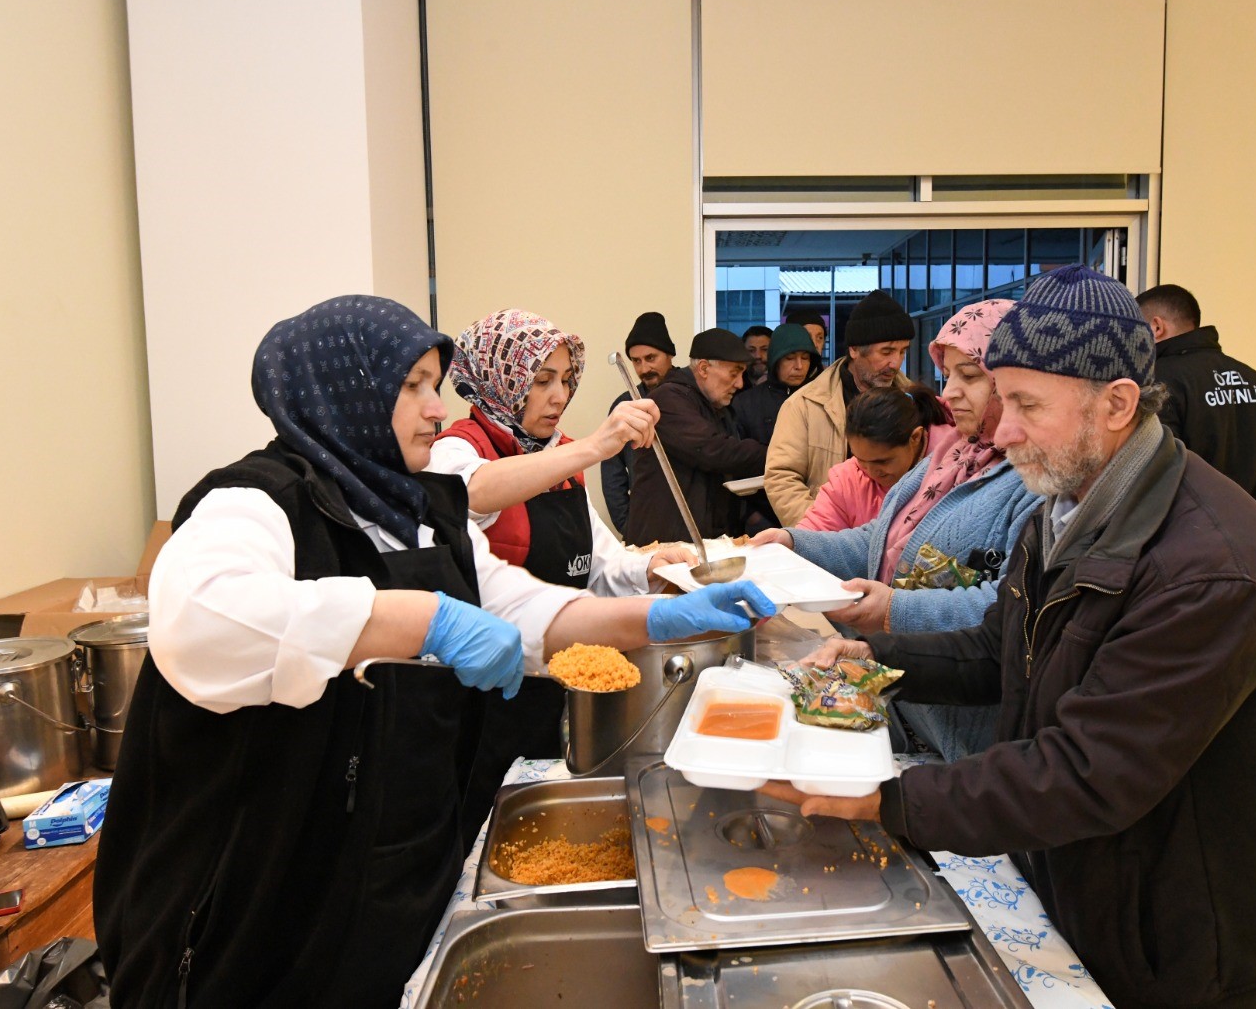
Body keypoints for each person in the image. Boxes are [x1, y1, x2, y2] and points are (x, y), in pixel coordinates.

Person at [94, 296, 775, 1008]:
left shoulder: (415, 510)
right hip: (260, 900)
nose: (433, 410)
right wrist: (423, 620)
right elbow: (199, 623)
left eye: (435, 386)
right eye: (412, 386)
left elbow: (523, 608)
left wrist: (663, 617)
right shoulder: (254, 504)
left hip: (392, 877)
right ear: (345, 392)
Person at [769, 266, 1256, 1009]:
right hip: (1075, 878)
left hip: (1176, 941)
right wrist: (877, 660)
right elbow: (997, 650)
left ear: (1118, 403)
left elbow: (1090, 770)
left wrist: (884, 798)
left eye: (1026, 404)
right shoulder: (1065, 507)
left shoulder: (1212, 569)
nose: (1006, 428)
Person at [428, 308, 697, 834]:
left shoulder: (561, 455)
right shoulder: (457, 450)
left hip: (559, 681)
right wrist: (598, 447)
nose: (559, 396)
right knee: (482, 824)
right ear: (499, 380)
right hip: (485, 694)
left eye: (567, 380)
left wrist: (650, 567)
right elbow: (474, 494)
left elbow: (599, 565)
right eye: (542, 380)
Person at [752, 301, 1039, 758]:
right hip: (906, 706)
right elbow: (879, 540)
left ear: (1015, 381)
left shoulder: (1034, 480)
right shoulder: (954, 457)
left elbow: (1007, 608)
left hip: (963, 732)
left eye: (971, 375)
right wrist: (794, 541)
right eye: (950, 375)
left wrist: (895, 610)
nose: (953, 391)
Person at [1137, 283, 1256, 530]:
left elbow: (1159, 472)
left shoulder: (1156, 383)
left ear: (1156, 327)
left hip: (1186, 544)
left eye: (1135, 331)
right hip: (1252, 549)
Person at [765, 290, 914, 526]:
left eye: (902, 351)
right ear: (854, 350)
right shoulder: (804, 405)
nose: (895, 363)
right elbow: (781, 477)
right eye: (886, 352)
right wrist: (821, 535)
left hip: (897, 541)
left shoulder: (915, 402)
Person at [624, 328, 766, 544]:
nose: (739, 384)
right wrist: (778, 454)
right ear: (704, 368)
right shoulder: (667, 399)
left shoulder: (714, 405)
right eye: (734, 373)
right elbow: (713, 450)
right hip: (664, 545)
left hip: (696, 541)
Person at [795, 383, 949, 533]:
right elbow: (812, 534)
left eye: (882, 461)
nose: (871, 471)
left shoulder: (957, 468)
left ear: (915, 438)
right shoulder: (847, 480)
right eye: (860, 459)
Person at [731, 323, 821, 533]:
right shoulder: (745, 403)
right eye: (790, 358)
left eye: (805, 358)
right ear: (775, 360)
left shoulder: (822, 401)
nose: (799, 366)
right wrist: (750, 516)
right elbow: (734, 466)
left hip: (814, 512)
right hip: (760, 515)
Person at [600, 312, 676, 533]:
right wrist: (628, 526)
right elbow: (612, 475)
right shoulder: (624, 405)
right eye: (636, 361)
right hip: (646, 525)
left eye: (651, 358)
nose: (643, 369)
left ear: (669, 355)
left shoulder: (691, 395)